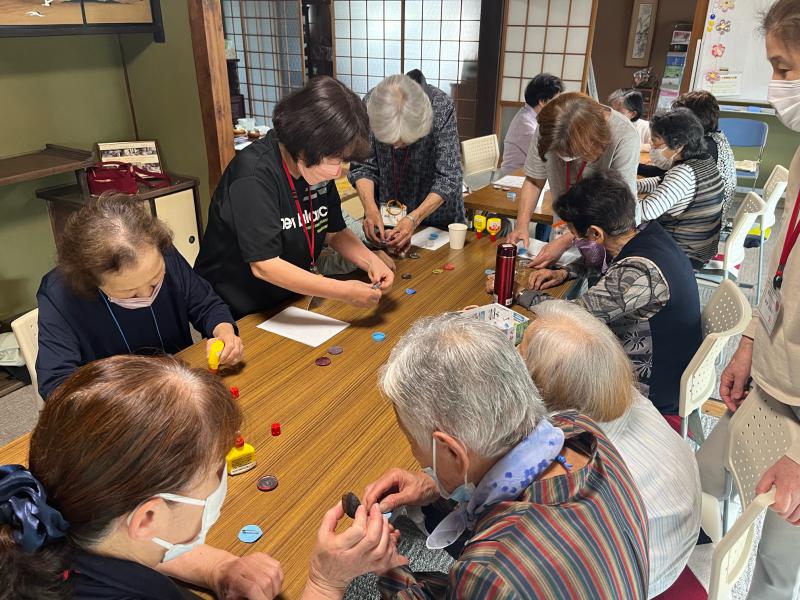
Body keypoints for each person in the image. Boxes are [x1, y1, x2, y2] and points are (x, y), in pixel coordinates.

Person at [0, 355, 405, 599]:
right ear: (147, 518)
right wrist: (324, 582)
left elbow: (120, 545)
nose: (220, 483)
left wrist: (218, 568)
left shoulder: (51, 518)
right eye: (215, 472)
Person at [364, 314, 649, 599]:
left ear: (452, 452)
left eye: (413, 441)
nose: (416, 455)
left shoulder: (489, 577)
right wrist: (436, 486)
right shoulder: (581, 432)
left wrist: (385, 567)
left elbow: (485, 584)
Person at [698, 2, 800, 597]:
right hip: (770, 385)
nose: (779, 86)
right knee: (702, 476)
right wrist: (747, 346)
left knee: (775, 570)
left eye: (785, 68)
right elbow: (781, 274)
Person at [520, 300, 701, 598]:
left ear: (544, 386)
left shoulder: (573, 460)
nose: (515, 357)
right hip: (674, 541)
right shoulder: (614, 388)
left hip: (629, 579)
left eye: (521, 352)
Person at [496, 170, 701, 418]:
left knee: (541, 359)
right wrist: (565, 273)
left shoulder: (638, 272)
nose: (575, 241)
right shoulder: (646, 232)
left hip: (652, 389)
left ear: (595, 234)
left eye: (575, 234)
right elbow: (607, 260)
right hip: (669, 363)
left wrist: (518, 292)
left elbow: (571, 315)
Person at [195, 76, 395, 319]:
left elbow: (335, 232)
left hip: (287, 296)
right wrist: (343, 291)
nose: (338, 171)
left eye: (343, 160)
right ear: (305, 142)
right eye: (334, 159)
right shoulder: (253, 176)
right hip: (238, 307)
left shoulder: (315, 172)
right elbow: (264, 266)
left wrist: (370, 260)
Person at [36, 195, 242, 400]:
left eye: (155, 280)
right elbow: (56, 384)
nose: (147, 295)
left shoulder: (163, 254)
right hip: (117, 403)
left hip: (181, 386)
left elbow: (206, 304)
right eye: (131, 293)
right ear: (91, 279)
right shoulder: (60, 294)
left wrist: (224, 332)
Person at [507, 92, 640, 267]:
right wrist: (522, 225)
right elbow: (534, 181)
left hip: (607, 234)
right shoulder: (551, 127)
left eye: (571, 154)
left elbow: (617, 207)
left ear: (593, 141)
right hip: (565, 228)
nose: (562, 159)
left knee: (594, 282)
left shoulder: (623, 135)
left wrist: (565, 242)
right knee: (557, 277)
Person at [348, 73, 465, 253]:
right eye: (389, 141)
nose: (395, 148)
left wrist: (413, 218)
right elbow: (363, 165)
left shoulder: (441, 107)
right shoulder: (373, 105)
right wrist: (370, 209)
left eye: (403, 141)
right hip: (385, 218)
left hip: (435, 221)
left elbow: (449, 177)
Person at [638, 108, 725, 268]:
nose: (652, 146)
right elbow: (663, 182)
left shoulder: (684, 173)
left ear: (678, 145)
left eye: (655, 140)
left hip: (683, 254)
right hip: (701, 247)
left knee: (614, 239)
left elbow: (645, 212)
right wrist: (638, 185)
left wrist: (619, 197)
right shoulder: (704, 161)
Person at [673, 90, 737, 216]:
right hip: (713, 217)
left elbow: (673, 179)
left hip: (699, 224)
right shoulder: (716, 138)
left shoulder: (702, 148)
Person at [500, 73, 564, 173]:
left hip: (527, 173)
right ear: (542, 102)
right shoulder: (525, 123)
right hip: (513, 177)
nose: (559, 106)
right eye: (555, 101)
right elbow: (546, 156)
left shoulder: (533, 116)